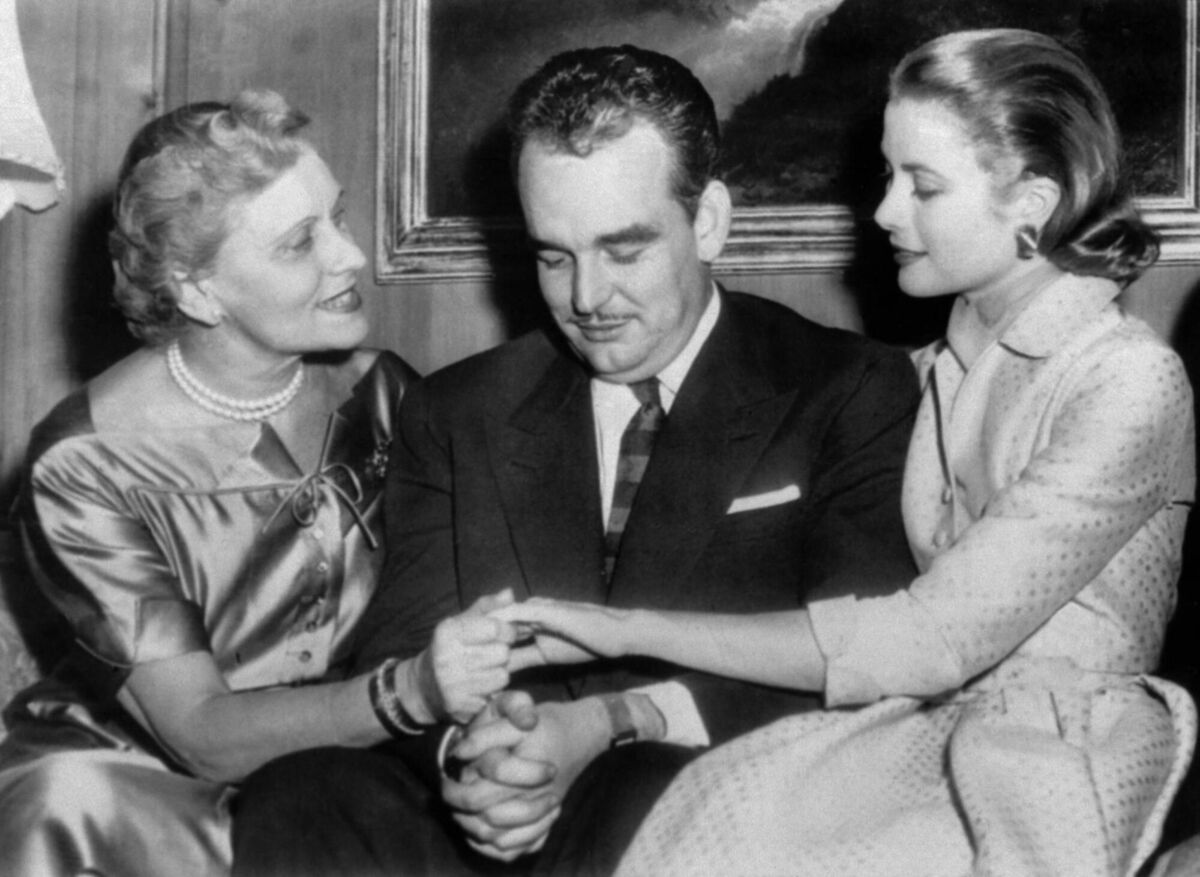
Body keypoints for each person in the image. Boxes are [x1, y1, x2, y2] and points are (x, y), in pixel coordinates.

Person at [496, 28, 1200, 877]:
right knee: (699, 820)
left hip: (1056, 763)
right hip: (925, 731)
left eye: (923, 186)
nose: (885, 212)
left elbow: (928, 638)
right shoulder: (925, 371)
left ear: (1034, 204)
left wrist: (622, 630)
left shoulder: (1129, 381)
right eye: (888, 175)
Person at [229, 45, 920, 876]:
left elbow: (866, 662)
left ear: (708, 222)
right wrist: (477, 757)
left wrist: (613, 723)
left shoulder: (846, 389)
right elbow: (404, 649)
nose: (586, 299)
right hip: (494, 817)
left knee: (642, 786)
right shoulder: (458, 409)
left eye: (623, 251)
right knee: (301, 797)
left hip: (709, 806)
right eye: (553, 256)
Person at [0, 90, 518, 876]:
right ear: (198, 289)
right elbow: (203, 735)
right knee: (71, 799)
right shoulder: (85, 462)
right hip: (148, 789)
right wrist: (406, 693)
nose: (348, 256)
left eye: (337, 217)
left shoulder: (385, 395)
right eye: (298, 243)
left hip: (349, 770)